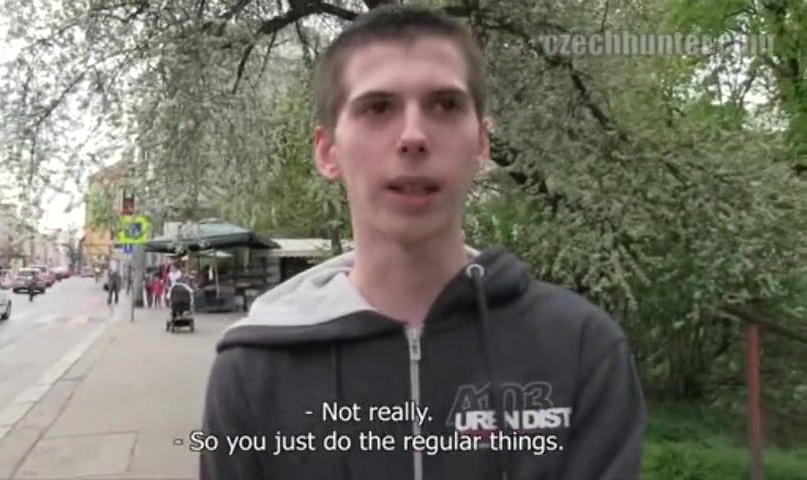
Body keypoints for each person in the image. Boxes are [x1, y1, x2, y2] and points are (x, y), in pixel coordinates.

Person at [199, 5, 646, 480]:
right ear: (328, 152)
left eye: (445, 106)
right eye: (378, 108)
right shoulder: (252, 371)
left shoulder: (579, 348)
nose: (413, 136)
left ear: (481, 144)